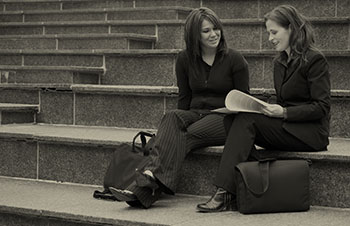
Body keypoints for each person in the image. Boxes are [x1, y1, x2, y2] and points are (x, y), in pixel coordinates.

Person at [109, 7, 250, 208]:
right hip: (195, 113)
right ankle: (148, 183)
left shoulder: (235, 59)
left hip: (225, 118)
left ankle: (143, 188)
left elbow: (245, 102)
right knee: (171, 117)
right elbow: (184, 98)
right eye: (206, 31)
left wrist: (168, 138)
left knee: (183, 136)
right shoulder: (184, 59)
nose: (213, 34)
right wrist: (170, 129)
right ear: (194, 35)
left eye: (215, 28)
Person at [197, 5, 331, 212]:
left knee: (247, 121)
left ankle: (224, 192)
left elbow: (321, 107)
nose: (270, 38)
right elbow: (286, 99)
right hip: (288, 126)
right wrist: (265, 107)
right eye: (268, 32)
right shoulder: (280, 62)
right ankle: (251, 178)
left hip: (310, 133)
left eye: (274, 32)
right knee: (232, 119)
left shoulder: (314, 60)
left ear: (291, 29)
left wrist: (284, 112)